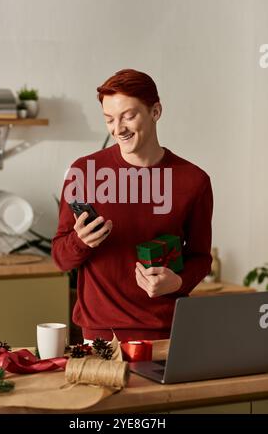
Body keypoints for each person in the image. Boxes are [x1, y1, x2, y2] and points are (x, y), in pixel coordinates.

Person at [52, 68, 213, 343]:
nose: (118, 129)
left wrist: (177, 282)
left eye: (128, 116)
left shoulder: (193, 181)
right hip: (100, 336)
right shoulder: (85, 172)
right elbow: (60, 257)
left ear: (155, 111)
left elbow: (200, 257)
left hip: (165, 335)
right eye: (109, 119)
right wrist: (81, 241)